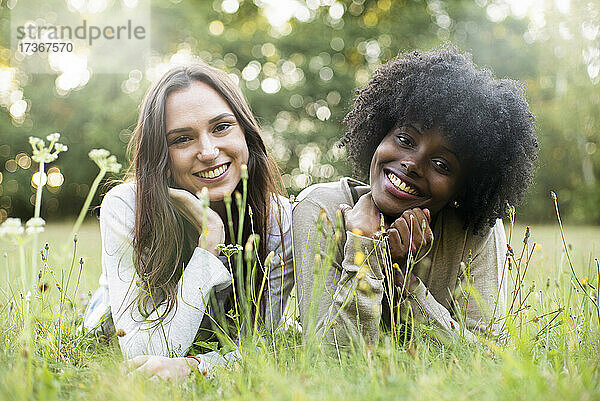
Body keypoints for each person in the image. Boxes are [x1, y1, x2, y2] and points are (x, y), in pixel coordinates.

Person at [293, 45, 538, 346]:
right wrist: (363, 250)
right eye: (405, 139)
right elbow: (329, 358)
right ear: (380, 132)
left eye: (441, 164)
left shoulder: (475, 234)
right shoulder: (321, 209)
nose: (412, 164)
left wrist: (405, 285)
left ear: (464, 186)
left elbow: (485, 357)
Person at [83, 63, 293, 378]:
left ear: (246, 134)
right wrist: (209, 242)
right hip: (115, 316)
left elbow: (262, 346)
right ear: (161, 156)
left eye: (222, 127)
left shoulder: (277, 219)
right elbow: (144, 354)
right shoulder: (126, 206)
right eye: (182, 139)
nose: (208, 152)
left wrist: (196, 368)